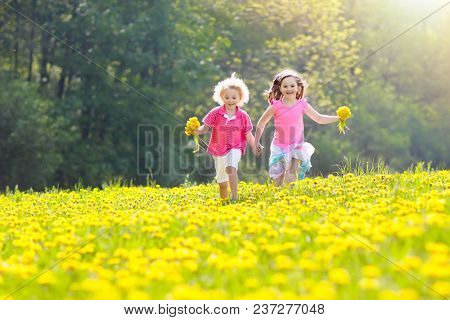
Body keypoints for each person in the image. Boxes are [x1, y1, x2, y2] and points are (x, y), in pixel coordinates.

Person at [254, 69, 340, 186]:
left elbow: (319, 118)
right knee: (277, 182)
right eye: (285, 86)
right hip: (278, 147)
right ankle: (281, 199)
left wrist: (338, 118)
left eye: (292, 86)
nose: (289, 89)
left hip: (296, 146)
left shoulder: (302, 104)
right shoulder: (276, 106)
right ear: (280, 88)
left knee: (290, 175)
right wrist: (256, 142)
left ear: (298, 88)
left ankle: (291, 198)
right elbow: (261, 123)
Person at [195, 73, 256, 201]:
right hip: (218, 150)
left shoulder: (243, 116)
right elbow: (205, 128)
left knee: (231, 167)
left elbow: (248, 133)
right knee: (222, 183)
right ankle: (225, 202)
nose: (230, 100)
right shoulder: (215, 113)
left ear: (240, 98)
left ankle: (234, 197)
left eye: (234, 97)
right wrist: (195, 131)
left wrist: (255, 146)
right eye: (227, 97)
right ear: (221, 97)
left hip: (235, 147)